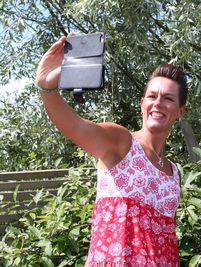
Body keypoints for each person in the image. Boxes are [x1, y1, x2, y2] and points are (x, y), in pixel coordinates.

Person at [36, 33, 187, 266]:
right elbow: (74, 126)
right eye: (152, 96)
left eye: (168, 98)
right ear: (142, 104)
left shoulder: (173, 172)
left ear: (180, 111)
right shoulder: (122, 143)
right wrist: (47, 87)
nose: (158, 103)